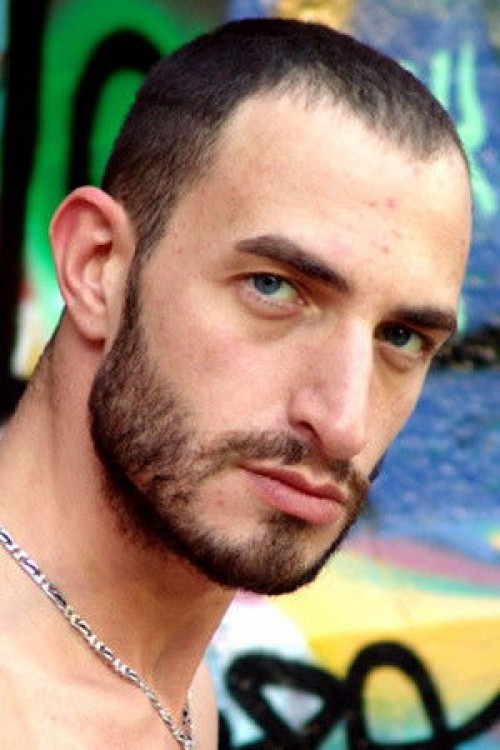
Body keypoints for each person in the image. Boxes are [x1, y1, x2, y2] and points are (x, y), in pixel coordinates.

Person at [0, 17, 471, 750]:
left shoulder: (174, 690)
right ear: (97, 267)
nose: (343, 423)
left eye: (402, 337)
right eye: (273, 288)